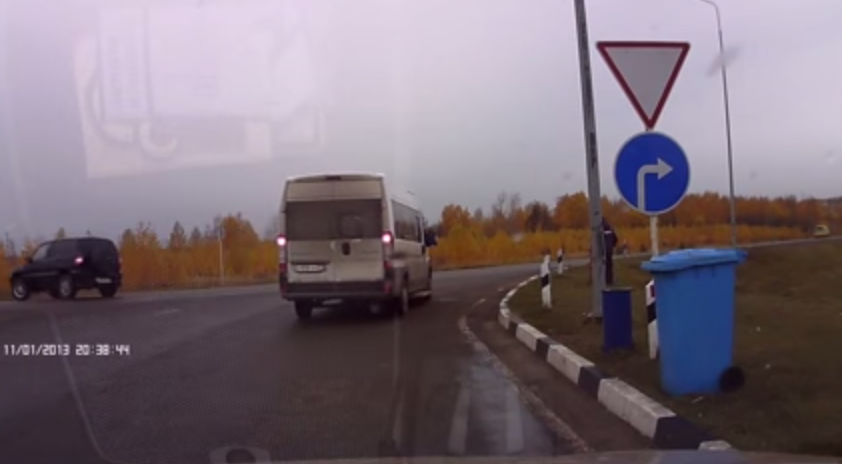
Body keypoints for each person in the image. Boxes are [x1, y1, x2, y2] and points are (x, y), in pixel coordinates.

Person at [602, 218, 618, 286]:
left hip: (603, 250)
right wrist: (612, 245)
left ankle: (604, 280)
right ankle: (610, 280)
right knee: (609, 265)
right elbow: (616, 239)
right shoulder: (611, 230)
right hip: (609, 250)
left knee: (603, 265)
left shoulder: (600, 230)